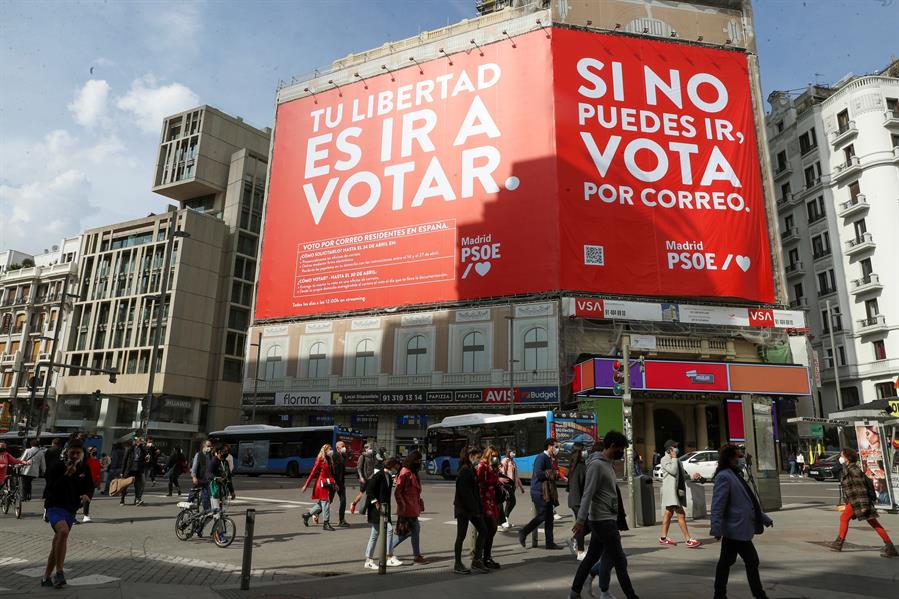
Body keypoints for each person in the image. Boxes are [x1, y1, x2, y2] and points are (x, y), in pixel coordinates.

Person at [569, 431, 638, 599]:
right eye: (620, 449)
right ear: (612, 446)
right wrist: (580, 521)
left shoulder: (608, 464)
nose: (621, 453)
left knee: (591, 557)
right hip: (602, 521)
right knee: (620, 561)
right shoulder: (596, 465)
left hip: (608, 519)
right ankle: (631, 596)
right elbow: (588, 493)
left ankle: (574, 592)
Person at [710, 444, 774, 599]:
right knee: (751, 560)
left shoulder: (734, 474)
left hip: (738, 528)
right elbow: (718, 505)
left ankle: (719, 594)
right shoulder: (724, 476)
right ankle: (759, 595)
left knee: (726, 562)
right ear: (730, 458)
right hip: (735, 528)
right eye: (738, 456)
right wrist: (716, 527)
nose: (740, 459)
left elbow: (748, 501)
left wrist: (763, 518)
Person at [825, 448, 897, 558]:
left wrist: (864, 505)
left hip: (859, 502)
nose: (840, 458)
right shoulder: (849, 468)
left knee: (846, 519)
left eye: (842, 455)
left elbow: (861, 488)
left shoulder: (854, 470)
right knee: (870, 522)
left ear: (847, 458)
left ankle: (839, 543)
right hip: (855, 501)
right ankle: (890, 546)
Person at [41, 439, 93, 588]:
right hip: (54, 506)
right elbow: (50, 487)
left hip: (71, 508)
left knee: (58, 540)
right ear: (67, 452)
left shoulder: (84, 467)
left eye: (78, 453)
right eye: (73, 453)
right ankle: (60, 573)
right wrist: (65, 475)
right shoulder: (57, 465)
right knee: (63, 532)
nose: (75, 455)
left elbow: (89, 485)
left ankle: (46, 578)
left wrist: (87, 495)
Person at [518, 437, 564, 550]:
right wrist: (553, 473)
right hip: (539, 491)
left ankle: (550, 542)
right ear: (549, 446)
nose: (557, 448)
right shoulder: (541, 457)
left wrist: (557, 474)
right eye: (556, 446)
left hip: (547, 491)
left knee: (549, 518)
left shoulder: (549, 458)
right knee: (543, 515)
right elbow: (538, 473)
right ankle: (523, 532)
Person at [658, 440, 702, 548]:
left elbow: (682, 475)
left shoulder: (677, 460)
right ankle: (688, 540)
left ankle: (663, 538)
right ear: (670, 449)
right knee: (681, 514)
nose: (677, 448)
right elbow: (673, 471)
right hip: (671, 493)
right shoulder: (664, 459)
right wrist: (673, 458)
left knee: (668, 514)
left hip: (676, 492)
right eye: (675, 447)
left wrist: (692, 476)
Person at [363, 457, 403, 569]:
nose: (396, 468)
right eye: (395, 466)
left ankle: (371, 559)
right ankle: (387, 557)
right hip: (377, 510)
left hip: (385, 509)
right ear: (391, 466)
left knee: (375, 534)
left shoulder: (388, 477)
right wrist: (376, 503)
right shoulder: (379, 476)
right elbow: (369, 490)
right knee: (384, 531)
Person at [454, 447, 487, 574]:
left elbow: (474, 492)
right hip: (464, 508)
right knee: (461, 536)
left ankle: (477, 560)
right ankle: (457, 563)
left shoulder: (471, 469)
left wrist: (478, 508)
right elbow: (465, 494)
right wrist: (475, 510)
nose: (479, 460)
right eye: (478, 457)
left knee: (483, 530)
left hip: (472, 508)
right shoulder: (465, 470)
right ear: (470, 456)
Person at [393, 450, 428, 564]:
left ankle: (417, 555)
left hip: (412, 507)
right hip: (407, 508)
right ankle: (387, 549)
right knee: (407, 532)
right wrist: (402, 506)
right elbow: (398, 492)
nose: (420, 463)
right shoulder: (405, 472)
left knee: (413, 531)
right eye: (418, 461)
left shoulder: (412, 472)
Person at [476, 446, 504, 569]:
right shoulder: (482, 466)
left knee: (491, 530)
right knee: (490, 528)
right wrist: (496, 479)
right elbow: (481, 482)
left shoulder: (492, 467)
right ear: (488, 455)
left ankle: (487, 557)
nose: (495, 457)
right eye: (493, 455)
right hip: (484, 501)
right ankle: (480, 557)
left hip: (492, 501)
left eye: (497, 455)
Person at [301, 444, 336, 531]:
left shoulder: (329, 459)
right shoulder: (320, 459)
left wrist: (335, 484)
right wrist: (306, 485)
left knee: (321, 504)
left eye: (331, 449)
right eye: (330, 449)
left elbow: (330, 474)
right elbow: (312, 473)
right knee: (326, 503)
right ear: (325, 450)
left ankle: (307, 515)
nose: (331, 451)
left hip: (327, 483)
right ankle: (326, 523)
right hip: (321, 484)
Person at [566, 442, 588, 561]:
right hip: (578, 501)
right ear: (579, 452)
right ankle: (580, 551)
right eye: (583, 450)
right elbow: (576, 486)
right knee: (582, 526)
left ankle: (573, 539)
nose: (585, 452)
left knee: (587, 524)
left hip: (577, 500)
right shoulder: (579, 466)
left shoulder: (576, 465)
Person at [499, 448, 524, 529]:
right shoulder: (504, 461)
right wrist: (503, 484)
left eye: (514, 452)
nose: (514, 453)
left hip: (512, 486)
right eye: (512, 452)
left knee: (510, 502)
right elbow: (502, 473)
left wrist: (521, 487)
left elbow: (516, 476)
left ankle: (505, 520)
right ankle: (504, 519)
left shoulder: (513, 462)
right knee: (511, 502)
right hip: (506, 485)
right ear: (508, 452)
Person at [120, 437, 147, 506]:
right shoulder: (130, 449)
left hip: (138, 470)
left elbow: (146, 456)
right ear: (135, 442)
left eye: (141, 442)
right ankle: (122, 499)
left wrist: (141, 446)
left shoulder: (143, 449)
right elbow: (124, 460)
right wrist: (122, 472)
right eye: (139, 441)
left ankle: (137, 500)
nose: (140, 443)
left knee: (138, 486)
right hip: (129, 469)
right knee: (125, 485)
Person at [351, 443, 376, 515]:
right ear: (365, 448)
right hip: (364, 478)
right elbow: (358, 468)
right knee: (361, 494)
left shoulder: (372, 456)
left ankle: (365, 509)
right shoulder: (362, 457)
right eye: (369, 448)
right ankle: (354, 503)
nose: (371, 449)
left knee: (370, 493)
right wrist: (361, 477)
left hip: (371, 477)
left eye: (371, 448)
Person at [191, 439, 215, 510]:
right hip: (199, 478)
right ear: (204, 446)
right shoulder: (198, 454)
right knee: (192, 495)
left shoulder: (211, 455)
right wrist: (194, 477)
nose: (210, 448)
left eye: (211, 446)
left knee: (206, 498)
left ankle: (206, 511)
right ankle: (186, 509)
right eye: (208, 446)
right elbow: (194, 467)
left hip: (208, 480)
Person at [80, 447, 102, 523]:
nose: (95, 452)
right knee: (86, 499)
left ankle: (77, 507)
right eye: (93, 451)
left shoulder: (97, 461)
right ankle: (86, 516)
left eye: (95, 451)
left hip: (93, 483)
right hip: (84, 482)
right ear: (89, 452)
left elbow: (98, 473)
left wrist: (99, 483)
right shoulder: (85, 461)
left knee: (87, 499)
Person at [332, 440, 350, 527]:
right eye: (342, 446)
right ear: (337, 448)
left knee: (343, 500)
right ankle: (312, 513)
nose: (344, 448)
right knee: (328, 501)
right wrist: (335, 483)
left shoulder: (343, 455)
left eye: (344, 446)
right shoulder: (334, 456)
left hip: (341, 482)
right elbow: (333, 471)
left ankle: (341, 520)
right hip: (335, 482)